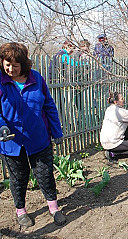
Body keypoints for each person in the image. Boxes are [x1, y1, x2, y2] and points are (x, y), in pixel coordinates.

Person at [0, 42, 66, 227]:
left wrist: (56, 130)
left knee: (45, 174)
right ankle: (21, 211)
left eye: (15, 65)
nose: (11, 69)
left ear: (24, 64)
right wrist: (2, 127)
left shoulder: (36, 78)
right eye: (7, 65)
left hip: (38, 137)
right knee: (18, 178)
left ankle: (54, 208)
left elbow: (49, 105)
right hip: (12, 142)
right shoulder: (1, 81)